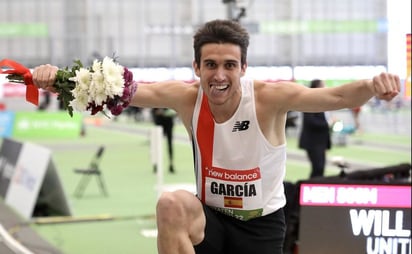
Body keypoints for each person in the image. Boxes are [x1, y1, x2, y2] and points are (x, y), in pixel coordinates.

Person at [31, 19, 400, 254]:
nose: (219, 75)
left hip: (261, 229)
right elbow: (116, 90)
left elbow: (335, 97)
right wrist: (55, 78)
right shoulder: (185, 96)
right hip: (211, 220)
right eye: (210, 65)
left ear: (244, 67)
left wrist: (373, 84)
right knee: (170, 204)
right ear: (197, 67)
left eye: (229, 65)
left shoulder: (269, 99)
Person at [298, 79, 332, 178]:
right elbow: (311, 121)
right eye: (322, 85)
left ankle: (316, 186)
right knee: (318, 168)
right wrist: (328, 124)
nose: (325, 88)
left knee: (320, 169)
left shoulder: (322, 102)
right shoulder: (309, 102)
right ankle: (311, 187)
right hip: (313, 142)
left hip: (321, 142)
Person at [151, 108, 176, 173]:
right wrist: (156, 112)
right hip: (159, 121)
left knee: (170, 144)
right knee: (157, 144)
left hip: (168, 121)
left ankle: (171, 164)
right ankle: (156, 164)